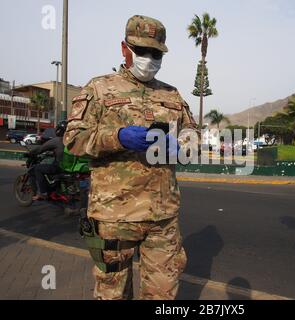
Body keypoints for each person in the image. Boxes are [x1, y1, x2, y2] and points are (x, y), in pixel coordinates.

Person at [64, 15, 200, 300]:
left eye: (155, 53)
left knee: (163, 295)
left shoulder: (172, 95)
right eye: (142, 51)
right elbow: (73, 139)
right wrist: (118, 136)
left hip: (163, 217)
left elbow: (192, 135)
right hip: (115, 215)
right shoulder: (98, 89)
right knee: (112, 294)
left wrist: (184, 145)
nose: (148, 59)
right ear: (125, 48)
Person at [29, 121, 67, 201]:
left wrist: (31, 152)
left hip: (59, 166)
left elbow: (41, 149)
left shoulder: (57, 140)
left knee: (37, 169)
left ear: (58, 130)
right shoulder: (71, 141)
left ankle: (43, 193)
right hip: (71, 167)